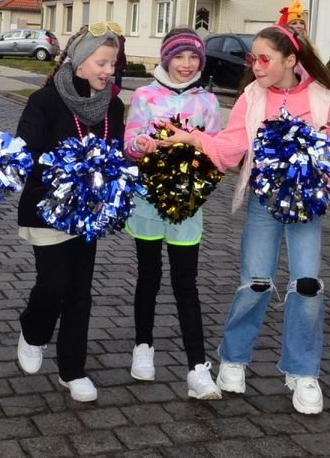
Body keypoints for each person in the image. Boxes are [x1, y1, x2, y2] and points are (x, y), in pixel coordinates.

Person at [159, 24, 330, 415]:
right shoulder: (252, 95)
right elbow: (234, 144)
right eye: (253, 57)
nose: (256, 65)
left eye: (265, 58)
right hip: (263, 203)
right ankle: (233, 360)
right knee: (254, 283)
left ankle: (302, 371)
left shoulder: (321, 97)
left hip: (306, 206)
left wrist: (320, 186)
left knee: (307, 285)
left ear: (290, 60)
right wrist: (193, 139)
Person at [15, 24, 124, 403]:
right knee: (53, 285)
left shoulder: (113, 105)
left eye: (113, 63)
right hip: (48, 209)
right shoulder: (44, 102)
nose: (109, 70)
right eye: (102, 62)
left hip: (88, 214)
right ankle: (33, 329)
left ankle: (72, 370)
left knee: (79, 293)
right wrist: (63, 175)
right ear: (79, 62)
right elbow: (26, 151)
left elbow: (118, 153)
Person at [122, 29, 223, 399]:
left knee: (186, 282)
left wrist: (200, 162)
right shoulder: (145, 95)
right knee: (148, 275)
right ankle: (143, 347)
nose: (186, 64)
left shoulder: (209, 101)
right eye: (179, 57)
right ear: (166, 59)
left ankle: (197, 367)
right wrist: (140, 144)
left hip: (186, 204)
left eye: (193, 58)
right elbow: (129, 140)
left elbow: (216, 147)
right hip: (148, 198)